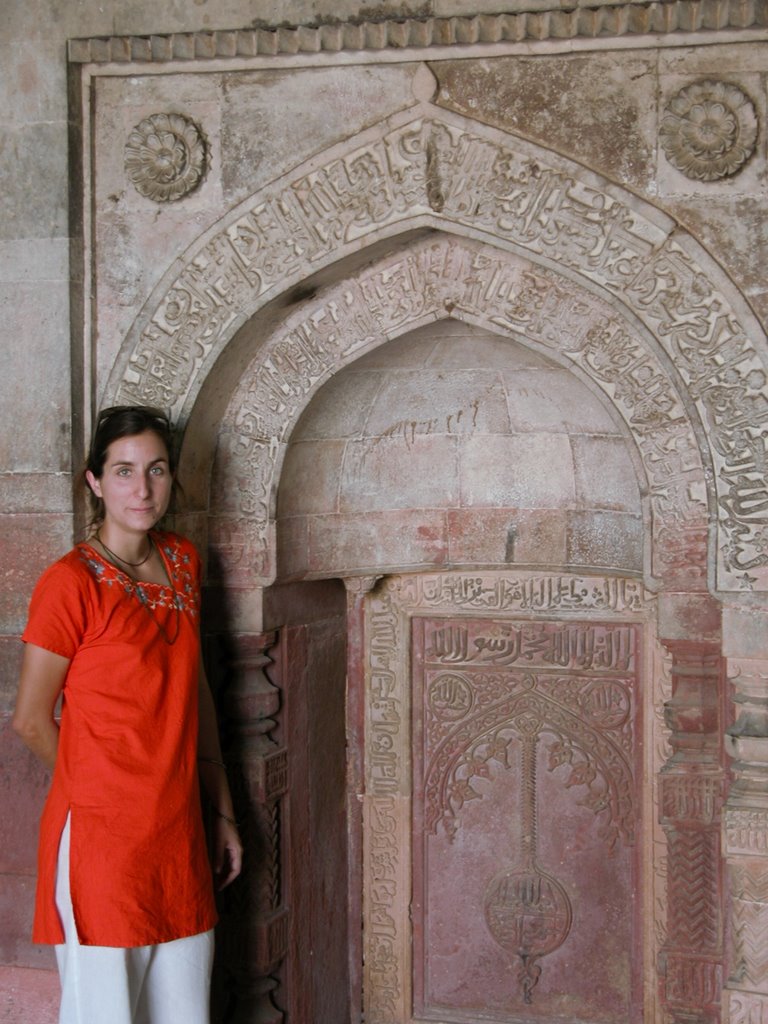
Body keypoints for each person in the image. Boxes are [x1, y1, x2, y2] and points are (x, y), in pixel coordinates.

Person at [12, 405, 243, 1024]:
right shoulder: (69, 583)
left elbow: (194, 691)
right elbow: (31, 719)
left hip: (178, 833)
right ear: (94, 481)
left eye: (157, 470)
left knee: (182, 1011)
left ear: (172, 478)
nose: (141, 489)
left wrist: (219, 809)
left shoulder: (184, 563)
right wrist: (107, 793)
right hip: (101, 843)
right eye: (123, 471)